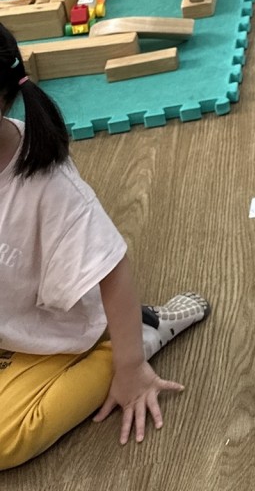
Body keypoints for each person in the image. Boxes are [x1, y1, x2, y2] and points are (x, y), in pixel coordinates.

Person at [0, 23, 209, 471]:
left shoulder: (48, 185)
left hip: (53, 337)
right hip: (8, 324)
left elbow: (112, 267)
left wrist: (131, 368)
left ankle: (140, 335)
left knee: (3, 439)